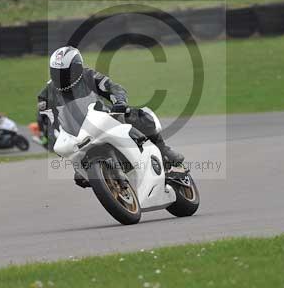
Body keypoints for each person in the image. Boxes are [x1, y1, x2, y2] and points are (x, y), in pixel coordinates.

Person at [37, 46, 184, 188]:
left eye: (66, 72)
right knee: (80, 177)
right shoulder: (46, 95)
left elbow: (113, 87)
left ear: (77, 68)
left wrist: (119, 101)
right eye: (57, 73)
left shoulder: (88, 76)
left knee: (139, 116)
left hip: (103, 119)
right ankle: (97, 176)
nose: (62, 77)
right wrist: (55, 139)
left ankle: (163, 150)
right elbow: (48, 122)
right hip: (77, 135)